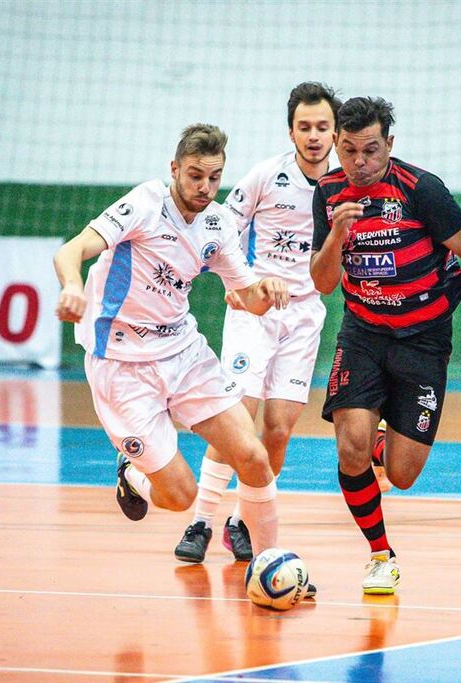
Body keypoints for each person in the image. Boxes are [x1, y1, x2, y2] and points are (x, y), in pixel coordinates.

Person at [53, 123, 291, 562]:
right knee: (181, 496)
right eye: (195, 175)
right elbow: (70, 251)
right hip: (121, 366)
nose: (205, 187)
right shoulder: (145, 204)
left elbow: (249, 297)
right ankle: (133, 476)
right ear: (175, 168)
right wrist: (72, 287)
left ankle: (271, 561)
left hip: (183, 354)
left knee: (254, 457)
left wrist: (267, 290)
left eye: (215, 178)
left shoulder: (218, 223)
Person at [310, 97, 461, 595]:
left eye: (370, 150)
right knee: (350, 449)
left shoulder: (422, 190)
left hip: (424, 340)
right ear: (336, 145)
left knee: (402, 472)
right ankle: (380, 554)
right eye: (348, 150)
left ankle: (384, 442)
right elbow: (324, 283)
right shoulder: (329, 194)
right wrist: (337, 236)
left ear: (389, 146)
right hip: (364, 334)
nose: (359, 162)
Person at [173, 82, 341, 566]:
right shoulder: (268, 176)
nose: (313, 136)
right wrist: (238, 280)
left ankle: (241, 523)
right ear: (291, 130)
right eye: (304, 127)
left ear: (334, 132)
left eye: (322, 127)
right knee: (238, 415)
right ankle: (201, 521)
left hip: (305, 316)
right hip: (256, 310)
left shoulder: (345, 187)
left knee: (279, 430)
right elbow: (222, 223)